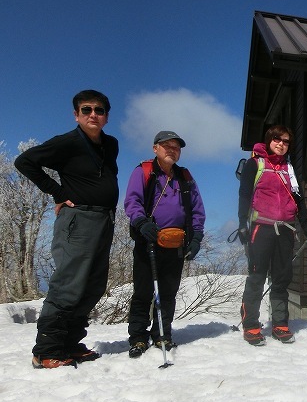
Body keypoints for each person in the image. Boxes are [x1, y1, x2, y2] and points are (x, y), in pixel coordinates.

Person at [14, 90, 118, 369]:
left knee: (93, 286)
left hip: (104, 221)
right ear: (77, 115)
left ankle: (70, 343)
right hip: (78, 221)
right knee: (69, 285)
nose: (93, 115)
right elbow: (24, 162)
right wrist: (57, 193)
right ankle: (46, 350)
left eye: (99, 110)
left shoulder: (111, 145)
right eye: (86, 110)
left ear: (107, 116)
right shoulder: (68, 143)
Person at [124, 131, 205, 358]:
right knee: (143, 292)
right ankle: (138, 337)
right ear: (155, 148)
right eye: (166, 145)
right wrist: (141, 222)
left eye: (176, 147)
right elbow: (132, 200)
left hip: (176, 242)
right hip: (147, 242)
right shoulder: (144, 171)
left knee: (168, 292)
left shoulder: (185, 178)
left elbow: (197, 209)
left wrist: (196, 237)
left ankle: (162, 333)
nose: (171, 150)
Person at [237, 125, 307, 346]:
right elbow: (244, 194)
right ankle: (251, 325)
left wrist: (306, 227)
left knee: (282, 278)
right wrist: (242, 223)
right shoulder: (256, 164)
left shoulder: (289, 168)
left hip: (285, 229)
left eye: (286, 141)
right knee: (257, 276)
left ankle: (280, 324)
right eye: (277, 139)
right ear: (269, 140)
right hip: (261, 228)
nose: (281, 144)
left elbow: (299, 200)